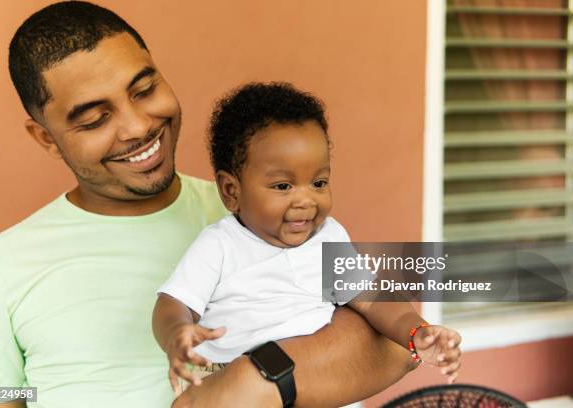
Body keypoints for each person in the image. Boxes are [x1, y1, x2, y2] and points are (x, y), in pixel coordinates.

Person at [0, 2, 416, 407]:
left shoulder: (262, 210)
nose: (138, 126)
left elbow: (396, 341)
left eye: (144, 90)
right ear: (46, 137)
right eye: (97, 118)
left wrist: (258, 380)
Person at [153, 83, 462, 400]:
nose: (306, 200)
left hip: (313, 375)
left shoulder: (328, 237)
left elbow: (371, 297)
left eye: (319, 182)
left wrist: (417, 332)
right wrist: (177, 333)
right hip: (226, 377)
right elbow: (173, 303)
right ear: (232, 191)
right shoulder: (220, 245)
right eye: (283, 186)